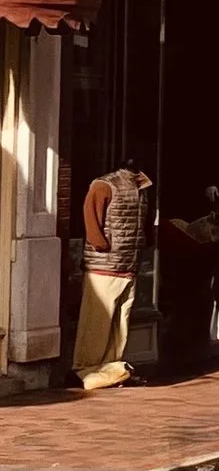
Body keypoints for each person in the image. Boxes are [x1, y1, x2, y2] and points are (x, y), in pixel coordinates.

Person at [75, 160, 150, 389]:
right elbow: (92, 218)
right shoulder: (105, 185)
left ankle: (113, 368)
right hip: (105, 266)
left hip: (127, 265)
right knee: (98, 320)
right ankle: (87, 369)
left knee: (120, 321)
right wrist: (100, 244)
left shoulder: (142, 188)